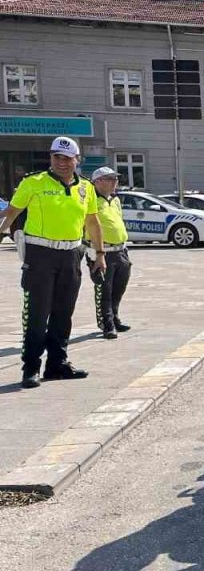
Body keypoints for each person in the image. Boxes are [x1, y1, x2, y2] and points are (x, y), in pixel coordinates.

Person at [0, 137, 106, 389]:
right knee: (37, 313)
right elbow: (12, 212)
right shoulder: (33, 182)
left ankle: (57, 364)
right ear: (50, 158)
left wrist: (99, 254)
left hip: (71, 254)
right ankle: (31, 368)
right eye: (57, 157)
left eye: (68, 158)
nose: (62, 162)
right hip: (40, 255)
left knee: (63, 313)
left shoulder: (86, 188)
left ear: (77, 160)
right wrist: (2, 230)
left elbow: (92, 222)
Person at [86, 167, 132, 340]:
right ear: (97, 182)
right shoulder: (91, 200)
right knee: (104, 289)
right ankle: (107, 324)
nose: (114, 182)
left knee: (119, 287)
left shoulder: (115, 200)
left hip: (121, 250)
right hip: (101, 251)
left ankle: (115, 317)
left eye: (115, 179)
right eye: (109, 179)